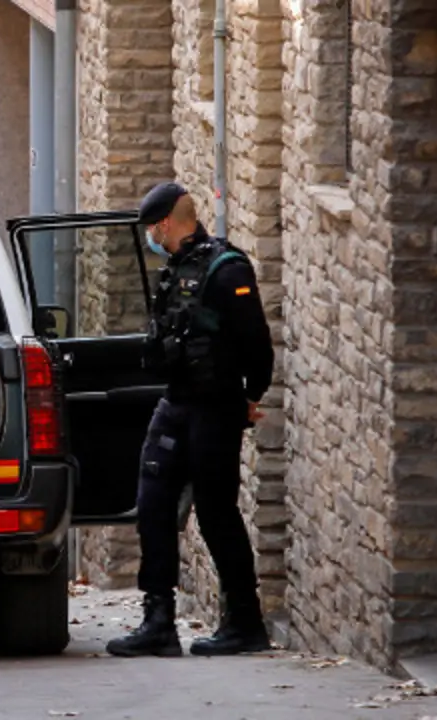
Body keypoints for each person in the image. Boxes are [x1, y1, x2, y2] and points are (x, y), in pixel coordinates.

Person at [105, 182, 274, 659]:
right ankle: (158, 622)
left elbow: (257, 345)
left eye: (151, 229)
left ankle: (245, 622)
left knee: (217, 513)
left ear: (164, 223)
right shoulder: (177, 267)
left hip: (216, 408)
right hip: (176, 403)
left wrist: (249, 397)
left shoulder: (227, 269)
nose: (150, 238)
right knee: (153, 503)